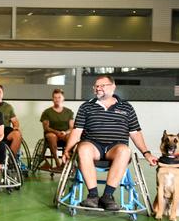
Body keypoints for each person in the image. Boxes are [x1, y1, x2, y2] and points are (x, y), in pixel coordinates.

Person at [62, 75, 157, 211]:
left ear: (113, 87)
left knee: (125, 150)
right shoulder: (86, 106)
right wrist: (67, 150)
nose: (98, 88)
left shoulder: (127, 107)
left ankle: (107, 196)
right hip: (93, 146)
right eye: (96, 86)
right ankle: (93, 196)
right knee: (83, 148)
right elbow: (77, 131)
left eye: (102, 85)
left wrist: (146, 153)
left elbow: (135, 133)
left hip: (115, 148)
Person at [40, 88, 74, 171]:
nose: (57, 99)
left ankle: (64, 163)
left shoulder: (69, 112)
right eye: (55, 97)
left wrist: (65, 132)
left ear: (63, 98)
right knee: (52, 136)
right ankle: (57, 163)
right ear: (52, 99)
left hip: (64, 134)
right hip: (52, 133)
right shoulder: (47, 112)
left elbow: (72, 127)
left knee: (71, 136)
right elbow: (46, 128)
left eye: (59, 97)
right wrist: (57, 132)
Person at [0, 84, 22, 156]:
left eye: (0, 92)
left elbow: (15, 121)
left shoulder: (8, 107)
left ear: (3, 94)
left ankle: (11, 160)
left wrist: (16, 127)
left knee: (17, 134)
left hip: (4, 131)